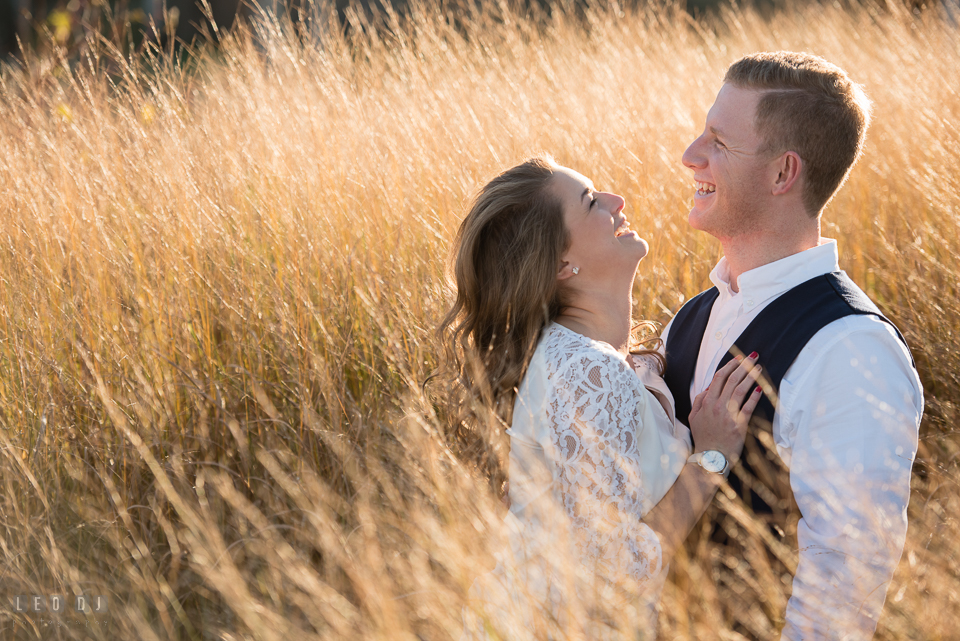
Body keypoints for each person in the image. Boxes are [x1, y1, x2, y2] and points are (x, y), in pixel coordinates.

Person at [443, 156, 763, 639]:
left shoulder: (581, 358)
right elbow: (614, 569)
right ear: (560, 264)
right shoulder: (588, 370)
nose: (617, 202)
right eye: (591, 201)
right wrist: (712, 456)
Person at [662, 51, 923, 639]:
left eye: (719, 143)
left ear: (783, 174)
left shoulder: (850, 349)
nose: (690, 155)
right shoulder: (693, 317)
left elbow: (845, 578)